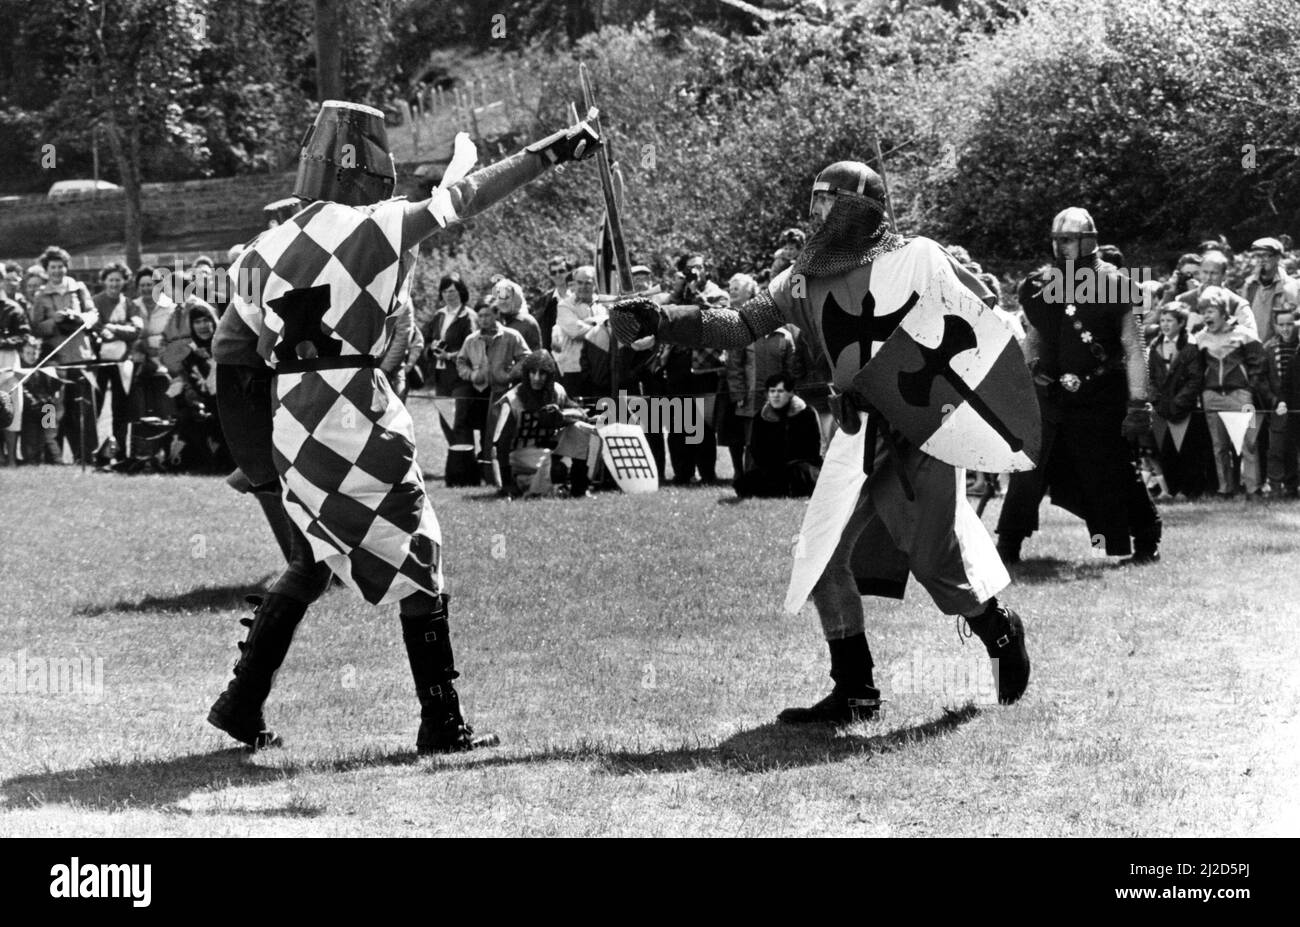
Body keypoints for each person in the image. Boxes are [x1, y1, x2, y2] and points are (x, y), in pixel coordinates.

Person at [208, 99, 600, 753]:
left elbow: (230, 355)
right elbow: (467, 197)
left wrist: (255, 456)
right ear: (368, 162)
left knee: (309, 558)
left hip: (291, 417)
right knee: (422, 559)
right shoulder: (379, 227)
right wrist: (551, 152)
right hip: (355, 409)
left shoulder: (257, 250)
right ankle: (441, 721)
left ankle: (240, 700)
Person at [611, 160, 1031, 723]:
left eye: (826, 203)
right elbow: (738, 325)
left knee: (933, 561)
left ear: (861, 208)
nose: (815, 215)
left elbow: (981, 326)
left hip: (922, 432)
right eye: (813, 203)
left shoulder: (920, 258)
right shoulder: (801, 277)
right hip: (856, 433)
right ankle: (855, 690)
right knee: (820, 555)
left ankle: (998, 630)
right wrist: (664, 319)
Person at [995, 207, 1162, 565]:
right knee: (1029, 467)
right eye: (1056, 240)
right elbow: (1036, 333)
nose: (1061, 247)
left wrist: (1138, 403)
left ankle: (1147, 539)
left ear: (1088, 240)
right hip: (1050, 395)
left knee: (1112, 468)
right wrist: (1029, 369)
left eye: (1068, 239)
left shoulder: (1116, 283)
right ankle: (1009, 544)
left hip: (1101, 396)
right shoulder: (1043, 282)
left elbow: (1134, 346)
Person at [1193, 288, 1278, 497]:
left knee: (1248, 443)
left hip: (1241, 396)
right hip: (1211, 396)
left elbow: (1259, 367)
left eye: (1211, 311)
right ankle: (1225, 488)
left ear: (1223, 312)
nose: (1206, 316)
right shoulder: (1199, 337)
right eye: (1203, 311)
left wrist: (1258, 392)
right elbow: (1194, 372)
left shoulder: (1245, 334)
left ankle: (1253, 488)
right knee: (1219, 447)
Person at [29, 246, 98, 464]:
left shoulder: (79, 289)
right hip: (54, 361)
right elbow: (36, 328)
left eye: (60, 267)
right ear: (46, 270)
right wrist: (54, 321)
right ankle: (52, 455)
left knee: (83, 410)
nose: (57, 271)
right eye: (53, 267)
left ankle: (86, 455)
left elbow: (93, 314)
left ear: (66, 268)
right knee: (52, 410)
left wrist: (78, 317)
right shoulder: (41, 296)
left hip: (80, 357)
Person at [491, 350, 591, 496]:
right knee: (557, 469)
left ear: (550, 375)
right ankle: (528, 483)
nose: (537, 378)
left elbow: (581, 415)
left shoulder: (557, 392)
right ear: (526, 374)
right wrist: (505, 484)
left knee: (580, 428)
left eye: (542, 373)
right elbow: (499, 443)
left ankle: (580, 487)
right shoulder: (512, 400)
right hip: (519, 456)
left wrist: (562, 416)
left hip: (549, 450)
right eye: (532, 372)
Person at [457, 298, 529, 481]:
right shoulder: (471, 340)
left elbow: (526, 358)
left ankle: (498, 476)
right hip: (479, 392)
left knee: (497, 435)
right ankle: (482, 474)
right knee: (481, 434)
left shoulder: (511, 336)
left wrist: (510, 374)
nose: (484, 319)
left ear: (496, 315)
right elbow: (460, 361)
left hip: (502, 392)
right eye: (480, 316)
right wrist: (471, 375)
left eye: (488, 315)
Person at [1147, 305, 1214, 499]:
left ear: (1182, 323)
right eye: (1162, 321)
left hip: (1184, 409)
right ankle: (1172, 489)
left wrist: (1178, 403)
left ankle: (1190, 490)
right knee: (1166, 450)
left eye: (1170, 321)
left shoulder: (1191, 348)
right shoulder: (1154, 346)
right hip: (1161, 409)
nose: (1165, 325)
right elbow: (1150, 376)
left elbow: (1195, 379)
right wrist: (1156, 399)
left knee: (1188, 451)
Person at [427, 273, 479, 486]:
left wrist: (449, 355)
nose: (449, 295)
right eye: (445, 291)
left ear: (461, 293)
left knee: (459, 422)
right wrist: (432, 348)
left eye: (453, 291)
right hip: (442, 378)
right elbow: (429, 339)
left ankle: (467, 474)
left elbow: (474, 348)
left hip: (461, 379)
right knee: (446, 423)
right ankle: (461, 469)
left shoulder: (469, 316)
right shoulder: (439, 316)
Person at [734, 374, 822, 498]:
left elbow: (815, 448)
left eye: (780, 391)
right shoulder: (761, 417)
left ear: (791, 393)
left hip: (801, 465)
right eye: (772, 391)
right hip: (772, 467)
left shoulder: (807, 413)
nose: (776, 395)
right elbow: (756, 449)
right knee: (745, 483)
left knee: (801, 475)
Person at [91, 262, 142, 463]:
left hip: (123, 364)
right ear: (104, 281)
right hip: (98, 365)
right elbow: (93, 328)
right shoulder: (95, 301)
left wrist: (112, 328)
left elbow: (136, 330)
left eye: (118, 280)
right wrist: (117, 330)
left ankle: (119, 453)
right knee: (95, 407)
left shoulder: (130, 304)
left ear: (124, 281)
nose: (114, 283)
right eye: (111, 279)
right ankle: (93, 452)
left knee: (120, 410)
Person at [1262, 306, 1299, 497]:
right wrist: (1274, 400)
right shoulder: (1269, 348)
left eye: (1290, 324)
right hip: (1280, 404)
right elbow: (1261, 379)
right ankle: (1277, 486)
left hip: (1297, 403)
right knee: (1277, 447)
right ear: (1276, 326)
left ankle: (1294, 485)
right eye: (1282, 325)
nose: (1286, 329)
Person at [1242, 238, 1299, 344]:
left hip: (1280, 349)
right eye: (1257, 256)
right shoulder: (1249, 286)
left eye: (1266, 255)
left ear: (1277, 258)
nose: (1261, 260)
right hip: (1254, 349)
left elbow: (1293, 323)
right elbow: (1243, 320)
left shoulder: (1289, 286)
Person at [0, 284, 31, 465]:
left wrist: (4, 342)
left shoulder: (13, 308)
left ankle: (12, 457)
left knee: (12, 408)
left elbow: (24, 335)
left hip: (8, 362)